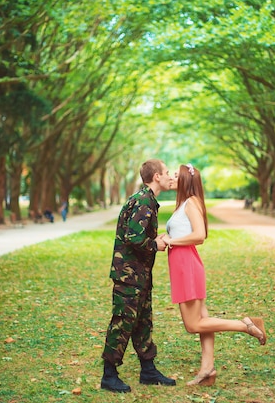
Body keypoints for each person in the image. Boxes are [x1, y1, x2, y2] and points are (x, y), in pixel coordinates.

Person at [162, 163, 267, 387]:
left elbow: (200, 235)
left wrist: (172, 241)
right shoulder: (184, 203)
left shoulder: (190, 202)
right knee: (203, 321)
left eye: (174, 175)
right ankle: (207, 370)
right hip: (185, 264)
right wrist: (166, 237)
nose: (170, 177)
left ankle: (245, 325)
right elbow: (183, 232)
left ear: (184, 180)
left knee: (193, 325)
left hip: (186, 265)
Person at [100, 159, 176, 393]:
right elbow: (134, 238)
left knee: (143, 321)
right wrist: (156, 244)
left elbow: (137, 233)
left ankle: (148, 370)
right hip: (129, 276)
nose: (168, 175)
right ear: (156, 177)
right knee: (122, 322)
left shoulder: (146, 200)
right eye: (165, 172)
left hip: (139, 274)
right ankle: (109, 375)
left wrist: (154, 239)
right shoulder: (144, 201)